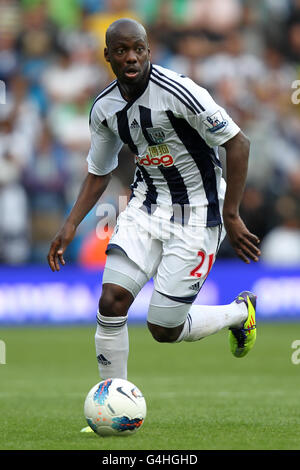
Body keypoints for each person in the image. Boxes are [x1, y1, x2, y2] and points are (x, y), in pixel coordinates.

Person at [47, 18, 260, 418]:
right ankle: (113, 405)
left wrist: (231, 213)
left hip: (199, 213)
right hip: (145, 207)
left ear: (149, 52)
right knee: (112, 301)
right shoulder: (105, 108)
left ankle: (238, 314)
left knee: (164, 329)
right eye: (122, 50)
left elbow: (238, 143)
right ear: (107, 55)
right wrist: (71, 222)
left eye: (138, 49)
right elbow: (100, 169)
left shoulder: (180, 92)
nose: (131, 57)